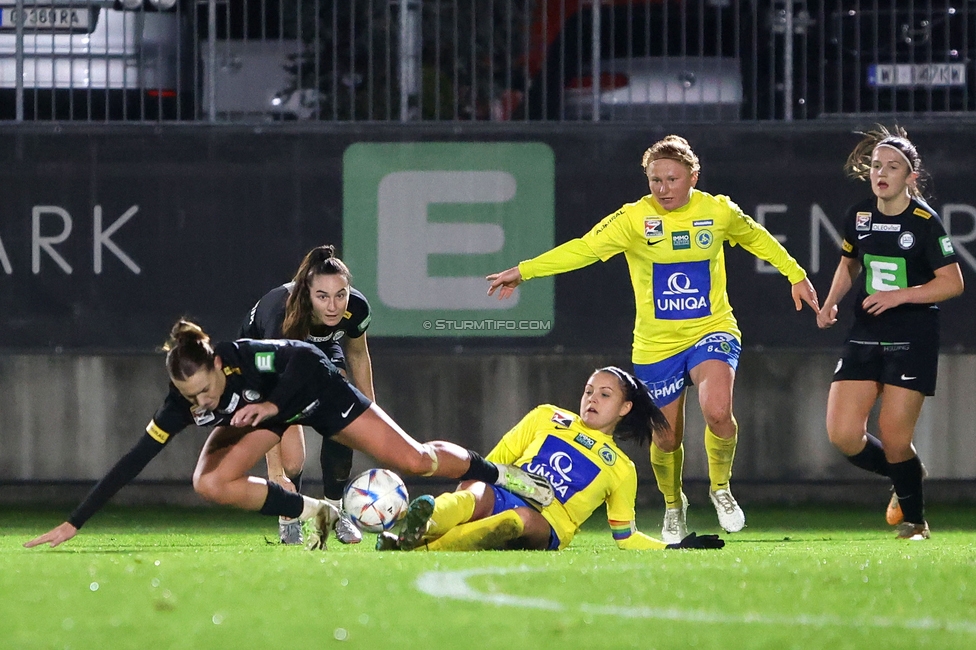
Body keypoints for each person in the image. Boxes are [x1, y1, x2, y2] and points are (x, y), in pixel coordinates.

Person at [486, 135, 820, 543]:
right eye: (654, 180)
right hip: (655, 344)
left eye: (672, 179)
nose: (662, 189)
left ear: (694, 177)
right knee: (667, 436)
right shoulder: (632, 219)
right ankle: (673, 504)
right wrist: (525, 271)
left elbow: (756, 237)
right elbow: (583, 249)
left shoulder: (717, 211)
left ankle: (720, 488)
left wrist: (795, 273)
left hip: (711, 329)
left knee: (717, 411)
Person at [24, 319, 553, 550]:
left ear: (216, 364)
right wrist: (75, 521)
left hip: (316, 390)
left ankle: (503, 474)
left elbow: (305, 356)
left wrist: (273, 402)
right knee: (209, 482)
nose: (201, 404)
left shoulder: (242, 356)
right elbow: (133, 459)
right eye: (192, 399)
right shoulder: (181, 404)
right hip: (268, 415)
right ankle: (316, 511)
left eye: (206, 392)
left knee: (415, 462)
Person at [377, 367, 724, 552]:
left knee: (522, 519)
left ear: (625, 408)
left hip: (547, 524)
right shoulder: (547, 416)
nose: (592, 398)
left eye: (605, 394)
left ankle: (425, 550)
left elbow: (626, 538)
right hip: (504, 490)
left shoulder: (621, 468)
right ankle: (407, 529)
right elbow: (489, 465)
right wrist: (472, 492)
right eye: (589, 390)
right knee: (476, 496)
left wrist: (672, 548)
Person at [817, 126, 963, 540]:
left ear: (910, 177)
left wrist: (900, 296)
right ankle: (907, 476)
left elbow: (952, 283)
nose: (881, 173)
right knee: (843, 435)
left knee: (897, 438)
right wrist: (830, 303)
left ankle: (915, 522)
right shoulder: (859, 215)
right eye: (876, 166)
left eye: (892, 167)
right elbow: (849, 263)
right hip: (865, 333)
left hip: (912, 336)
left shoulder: (923, 223)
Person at [240, 244, 373, 545]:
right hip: (266, 356)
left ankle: (335, 515)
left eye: (341, 295)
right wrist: (275, 473)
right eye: (323, 296)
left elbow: (358, 355)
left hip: (323, 346)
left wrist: (370, 416)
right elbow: (268, 391)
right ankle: (288, 513)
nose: (333, 306)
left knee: (346, 418)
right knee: (292, 462)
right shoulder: (281, 317)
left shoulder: (357, 308)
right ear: (307, 295)